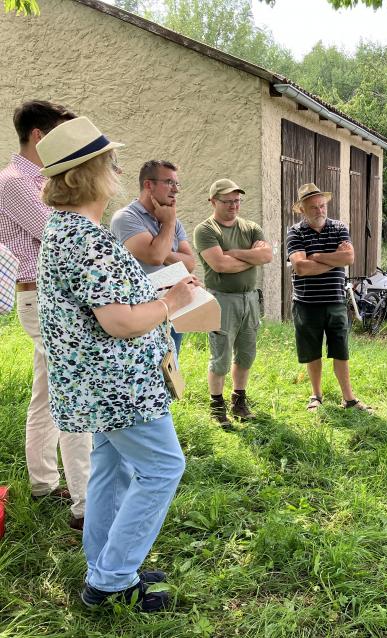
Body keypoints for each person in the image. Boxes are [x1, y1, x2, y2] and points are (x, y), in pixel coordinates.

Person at [35, 116, 196, 611]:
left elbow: (104, 305)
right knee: (164, 467)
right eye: (112, 162)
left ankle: (105, 561)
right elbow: (120, 322)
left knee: (110, 467)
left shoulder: (67, 230)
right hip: (118, 383)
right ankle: (111, 581)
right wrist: (172, 301)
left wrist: (154, 295)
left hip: (95, 383)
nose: (118, 169)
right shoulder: (88, 238)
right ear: (90, 173)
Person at [0, 100, 90, 530]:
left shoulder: (39, 180)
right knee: (73, 393)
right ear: (39, 136)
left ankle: (43, 483)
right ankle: (85, 504)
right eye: (58, 135)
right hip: (42, 297)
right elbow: (60, 236)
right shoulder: (15, 182)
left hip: (50, 297)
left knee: (48, 395)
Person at [194, 179, 272, 427]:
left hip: (250, 298)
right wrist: (252, 257)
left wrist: (234, 253)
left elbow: (267, 255)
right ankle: (217, 406)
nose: (233, 205)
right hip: (222, 299)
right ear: (213, 201)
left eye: (237, 200)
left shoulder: (250, 228)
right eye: (227, 201)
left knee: (246, 353)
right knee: (221, 356)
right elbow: (220, 265)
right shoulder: (206, 230)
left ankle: (239, 400)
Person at [286, 183, 368, 412]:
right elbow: (300, 267)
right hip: (306, 303)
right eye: (313, 207)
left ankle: (349, 398)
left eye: (322, 205)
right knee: (312, 351)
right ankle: (316, 395)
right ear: (302, 209)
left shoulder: (339, 227)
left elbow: (349, 258)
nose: (320, 210)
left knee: (340, 350)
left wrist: (318, 255)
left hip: (335, 302)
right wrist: (334, 259)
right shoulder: (295, 231)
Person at [110, 160, 196, 355]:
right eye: (169, 182)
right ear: (149, 185)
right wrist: (168, 223)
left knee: (171, 370)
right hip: (142, 312)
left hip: (173, 307)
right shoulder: (126, 218)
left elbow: (190, 264)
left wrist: (161, 245)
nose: (176, 190)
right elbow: (155, 257)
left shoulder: (173, 220)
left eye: (177, 184)